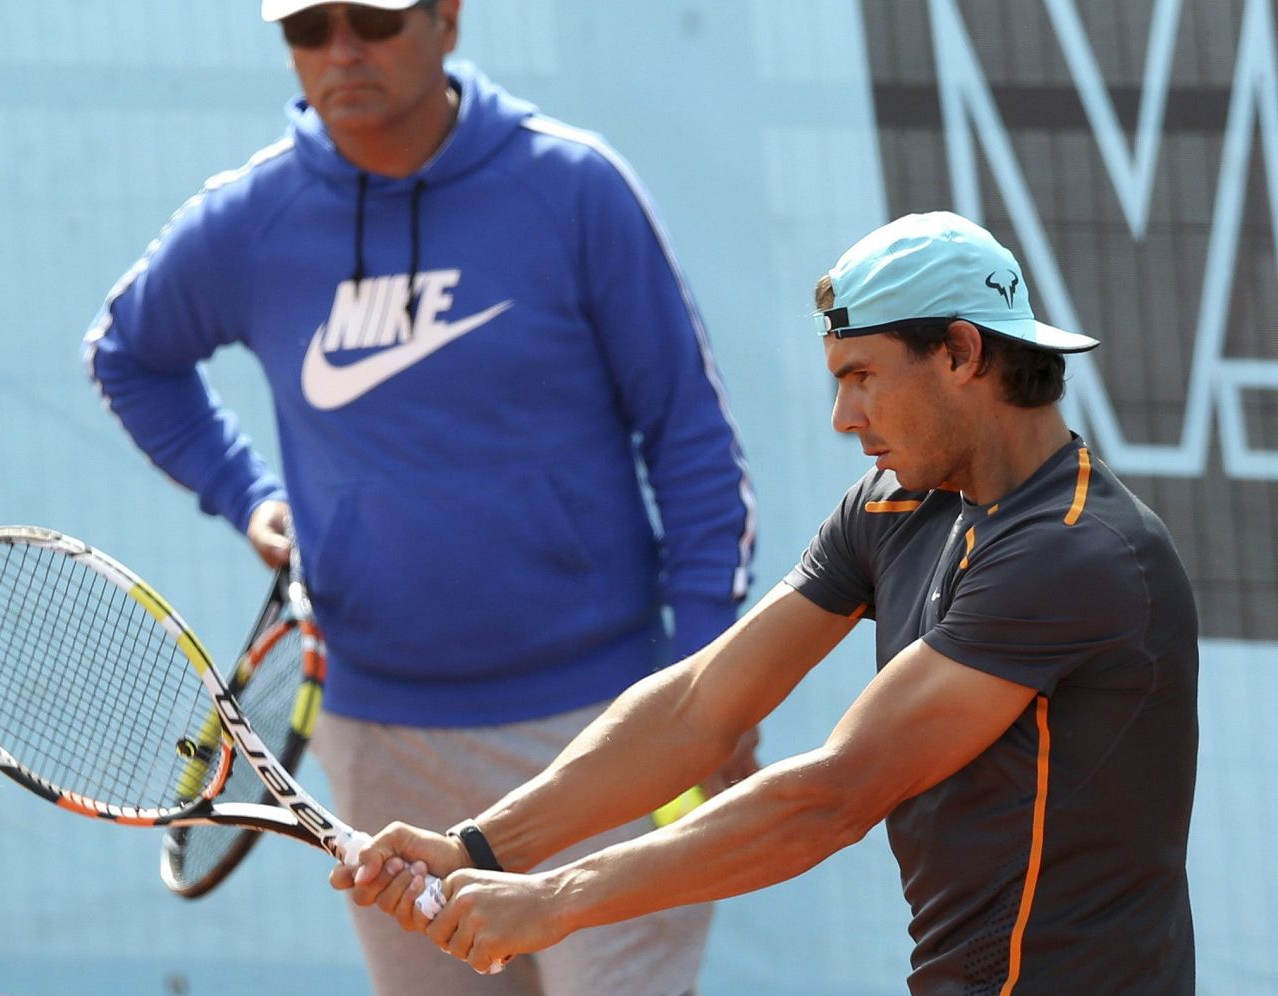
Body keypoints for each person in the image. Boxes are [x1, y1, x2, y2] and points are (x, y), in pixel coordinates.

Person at [342, 212, 1199, 995]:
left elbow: (834, 795)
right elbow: (699, 705)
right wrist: (478, 846)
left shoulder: (1075, 552)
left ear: (963, 353)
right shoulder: (893, 506)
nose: (842, 416)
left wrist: (555, 900)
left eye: (861, 375)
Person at [83, 1, 758, 993]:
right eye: (309, 27)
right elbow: (129, 356)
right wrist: (246, 496)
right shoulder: (253, 218)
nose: (341, 49)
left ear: (446, 19)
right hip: (377, 739)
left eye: (372, 18)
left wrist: (703, 694)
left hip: (600, 729)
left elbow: (693, 444)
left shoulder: (572, 188)